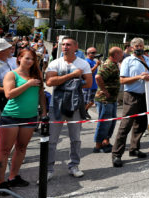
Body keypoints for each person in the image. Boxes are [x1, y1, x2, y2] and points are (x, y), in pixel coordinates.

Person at [0, 49, 47, 190]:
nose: (30, 61)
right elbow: (9, 94)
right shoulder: (12, 74)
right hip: (11, 117)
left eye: (32, 59)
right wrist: (28, 84)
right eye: (27, 58)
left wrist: (44, 113)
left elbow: (41, 94)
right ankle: (0, 183)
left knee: (21, 148)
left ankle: (13, 177)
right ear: (19, 58)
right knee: (4, 151)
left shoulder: (37, 75)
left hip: (30, 117)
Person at [45, 37, 93, 179]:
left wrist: (63, 82)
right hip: (57, 105)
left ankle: (74, 166)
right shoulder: (55, 63)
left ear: (75, 47)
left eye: (68, 45)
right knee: (52, 139)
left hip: (75, 104)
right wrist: (73, 77)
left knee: (76, 139)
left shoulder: (83, 64)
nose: (65, 47)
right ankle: (48, 169)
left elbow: (89, 83)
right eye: (63, 44)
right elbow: (49, 81)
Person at [111, 37, 149, 167]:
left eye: (141, 46)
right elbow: (122, 80)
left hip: (145, 95)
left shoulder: (148, 59)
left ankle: (134, 148)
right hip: (131, 95)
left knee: (141, 123)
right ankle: (117, 154)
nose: (139, 48)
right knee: (126, 125)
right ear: (131, 48)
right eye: (137, 46)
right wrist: (139, 77)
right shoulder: (127, 60)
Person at [93, 47, 124, 153]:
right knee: (104, 123)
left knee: (111, 122)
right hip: (104, 100)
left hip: (111, 99)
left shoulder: (114, 64)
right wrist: (105, 91)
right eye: (120, 53)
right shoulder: (108, 64)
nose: (122, 55)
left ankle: (105, 142)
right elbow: (98, 77)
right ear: (115, 54)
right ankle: (98, 145)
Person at [84, 47, 101, 113]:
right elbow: (89, 72)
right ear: (88, 53)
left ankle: (85, 111)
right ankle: (83, 112)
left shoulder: (94, 61)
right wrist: (96, 65)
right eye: (93, 53)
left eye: (95, 52)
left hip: (94, 84)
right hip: (88, 85)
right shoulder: (86, 62)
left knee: (92, 101)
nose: (95, 54)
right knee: (86, 101)